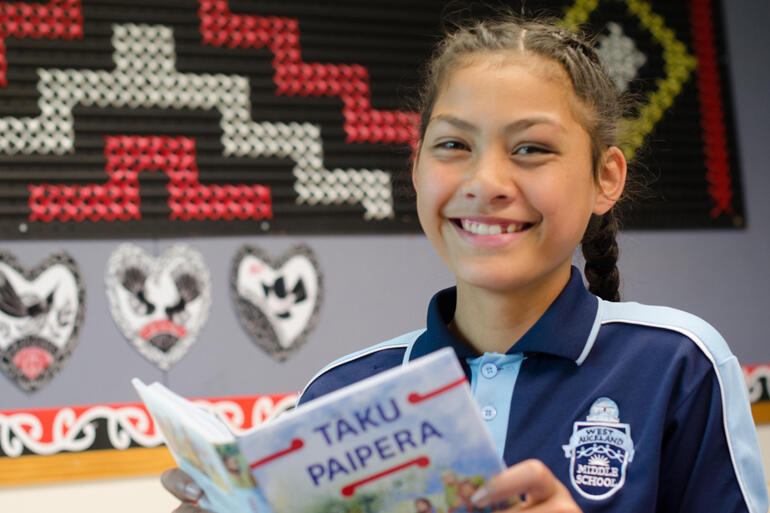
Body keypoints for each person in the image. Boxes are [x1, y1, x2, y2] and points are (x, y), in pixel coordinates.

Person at [160, 13, 768, 513]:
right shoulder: (337, 397)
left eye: (531, 148)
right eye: (453, 145)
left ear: (605, 177)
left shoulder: (678, 366)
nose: (485, 182)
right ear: (417, 166)